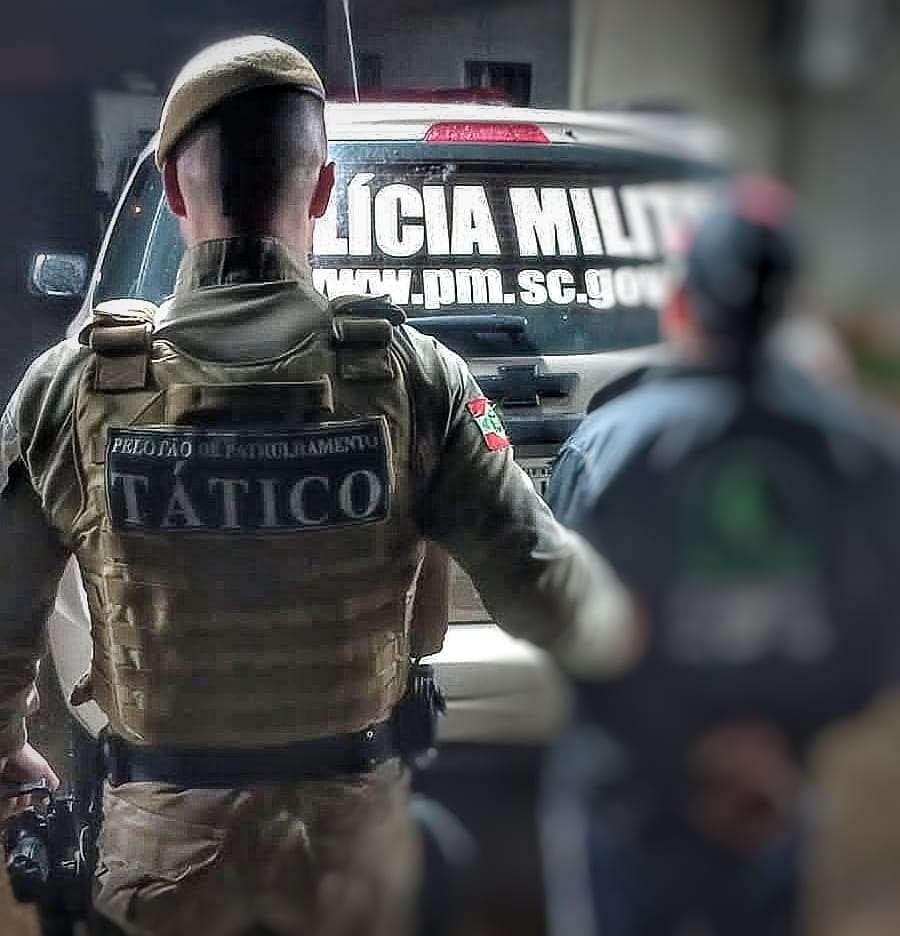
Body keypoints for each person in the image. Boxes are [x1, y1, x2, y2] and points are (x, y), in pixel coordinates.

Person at [0, 35, 639, 936]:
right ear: (325, 190)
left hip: (163, 872)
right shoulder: (415, 378)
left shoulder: (69, 390)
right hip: (354, 865)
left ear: (175, 190)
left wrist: (10, 752)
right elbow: (547, 590)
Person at [543, 177, 900, 936]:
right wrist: (769, 750)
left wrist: (691, 754)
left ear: (681, 305)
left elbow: (569, 627)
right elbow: (880, 636)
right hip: (770, 801)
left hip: (631, 800)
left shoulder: (608, 449)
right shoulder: (864, 457)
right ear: (794, 311)